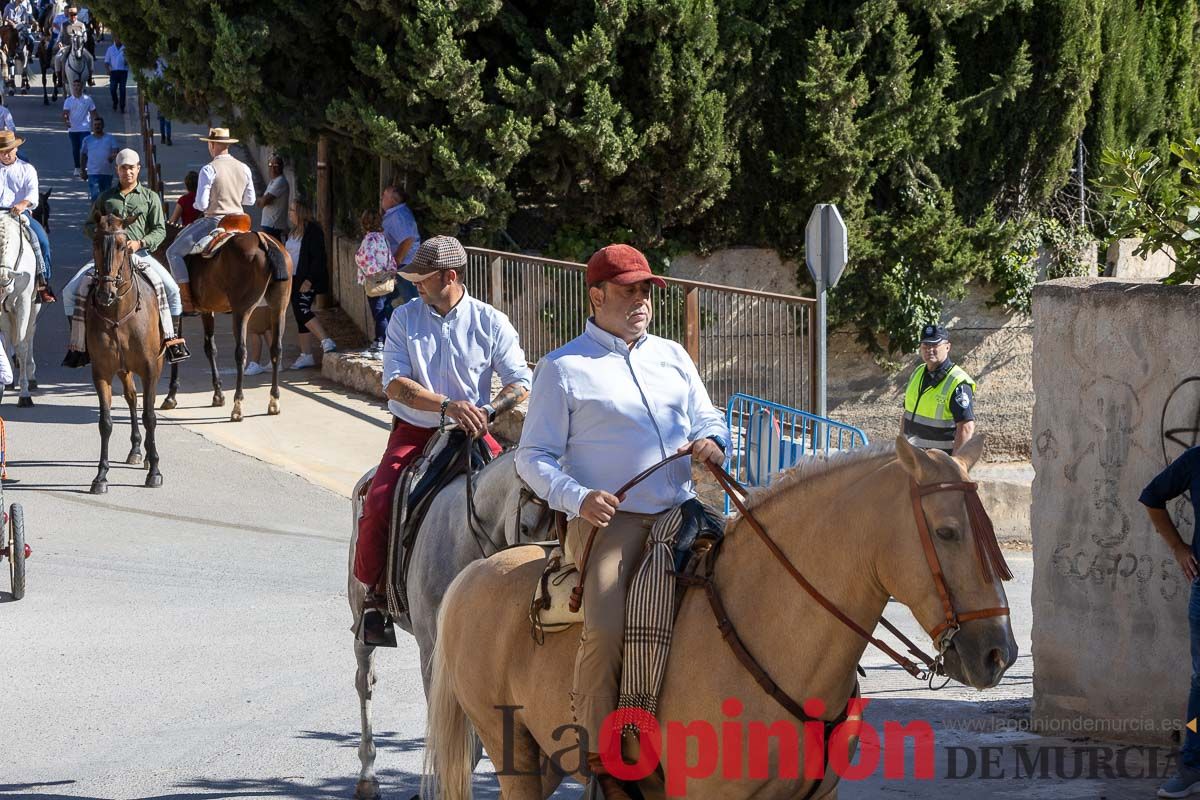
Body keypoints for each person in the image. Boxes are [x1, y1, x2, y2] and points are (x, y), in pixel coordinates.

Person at [515, 244, 729, 795]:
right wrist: (579, 497)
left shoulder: (674, 356)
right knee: (607, 624)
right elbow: (531, 457)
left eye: (646, 292)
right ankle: (599, 752)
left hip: (683, 509)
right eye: (628, 291)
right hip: (613, 521)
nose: (640, 301)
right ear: (596, 296)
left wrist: (714, 440)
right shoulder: (562, 368)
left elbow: (707, 414)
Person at [352, 234, 532, 645]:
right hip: (415, 432)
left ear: (449, 276)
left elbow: (521, 381)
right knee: (380, 501)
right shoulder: (404, 318)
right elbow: (394, 384)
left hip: (474, 432)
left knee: (521, 501)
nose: (414, 283)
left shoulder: (491, 321)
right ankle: (375, 599)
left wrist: (488, 411)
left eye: (423, 277)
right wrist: (448, 405)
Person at [63, 148, 189, 366]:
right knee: (69, 292)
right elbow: (89, 225)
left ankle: (172, 341)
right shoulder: (106, 198)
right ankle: (79, 346)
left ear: (138, 169)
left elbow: (159, 229)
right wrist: (104, 239)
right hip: (109, 259)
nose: (127, 172)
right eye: (123, 168)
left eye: (131, 168)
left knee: (172, 290)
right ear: (117, 170)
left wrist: (140, 242)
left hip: (140, 255)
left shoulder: (150, 198)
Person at [1141, 448, 1200, 798]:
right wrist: (1178, 547)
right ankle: (1193, 766)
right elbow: (1152, 497)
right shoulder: (1195, 461)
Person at [165, 127, 255, 310]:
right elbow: (250, 200)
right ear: (227, 144)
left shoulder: (209, 169)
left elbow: (202, 204)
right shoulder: (244, 167)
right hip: (241, 221)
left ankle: (187, 299)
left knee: (172, 252)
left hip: (216, 221)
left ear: (212, 144)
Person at [900, 323, 976, 455]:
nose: (929, 349)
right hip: (913, 458)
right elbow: (906, 414)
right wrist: (900, 450)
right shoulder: (918, 372)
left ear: (947, 347)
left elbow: (966, 427)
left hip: (939, 463)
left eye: (935, 345)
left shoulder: (957, 381)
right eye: (925, 345)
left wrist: (955, 464)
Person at [0, 130, 54, 302]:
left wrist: (23, 204)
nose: (6, 154)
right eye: (2, 151)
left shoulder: (27, 169)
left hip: (19, 214)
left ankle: (43, 283)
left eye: (9, 150)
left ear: (16, 149)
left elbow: (33, 195)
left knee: (42, 240)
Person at [283, 201, 336, 370]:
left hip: (307, 279)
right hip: (293, 278)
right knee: (299, 316)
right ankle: (306, 355)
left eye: (292, 210)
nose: (289, 213)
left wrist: (309, 280)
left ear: (300, 212)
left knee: (303, 309)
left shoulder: (313, 230)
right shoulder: (292, 232)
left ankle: (325, 340)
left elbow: (319, 258)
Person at [355, 209, 392, 358]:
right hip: (386, 279)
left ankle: (380, 345)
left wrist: (374, 272)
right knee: (383, 312)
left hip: (374, 281)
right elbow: (390, 258)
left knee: (379, 314)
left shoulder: (369, 239)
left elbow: (364, 258)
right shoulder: (383, 238)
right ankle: (381, 343)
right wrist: (390, 272)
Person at [380, 184, 420, 307]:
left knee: (414, 305)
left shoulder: (398, 216)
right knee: (384, 301)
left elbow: (408, 239)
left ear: (393, 200)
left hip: (405, 267)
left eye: (384, 196)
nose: (381, 199)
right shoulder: (396, 214)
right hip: (403, 266)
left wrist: (395, 263)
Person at [61, 78, 94, 177]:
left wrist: (96, 123)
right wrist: (66, 121)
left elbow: (94, 112)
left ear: (82, 87)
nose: (76, 87)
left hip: (85, 128)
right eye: (74, 85)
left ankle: (85, 167)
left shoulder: (88, 100)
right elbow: (65, 114)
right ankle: (77, 167)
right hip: (73, 129)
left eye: (78, 85)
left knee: (84, 148)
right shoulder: (68, 100)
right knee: (75, 148)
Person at [78, 114, 116, 200]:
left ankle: (105, 213)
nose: (97, 126)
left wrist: (112, 156)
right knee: (95, 197)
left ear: (103, 126)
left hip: (107, 173)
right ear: (92, 126)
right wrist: (82, 170)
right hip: (93, 174)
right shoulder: (87, 140)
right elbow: (83, 155)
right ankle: (95, 213)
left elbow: (115, 151)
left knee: (106, 198)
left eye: (99, 124)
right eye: (95, 125)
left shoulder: (110, 138)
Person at [257, 154, 287, 240]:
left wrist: (261, 200)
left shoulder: (280, 181)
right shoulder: (273, 181)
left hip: (273, 225)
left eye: (276, 165)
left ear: (281, 167)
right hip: (269, 224)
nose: (272, 168)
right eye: (270, 165)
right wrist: (262, 200)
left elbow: (264, 201)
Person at [102, 34, 126, 112]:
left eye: (120, 38)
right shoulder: (110, 49)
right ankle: (115, 101)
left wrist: (127, 62)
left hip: (123, 71)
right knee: (112, 88)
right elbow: (106, 61)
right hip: (114, 72)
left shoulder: (125, 49)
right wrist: (107, 69)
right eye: (117, 37)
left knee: (122, 89)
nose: (118, 39)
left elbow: (129, 60)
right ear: (114, 38)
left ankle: (122, 106)